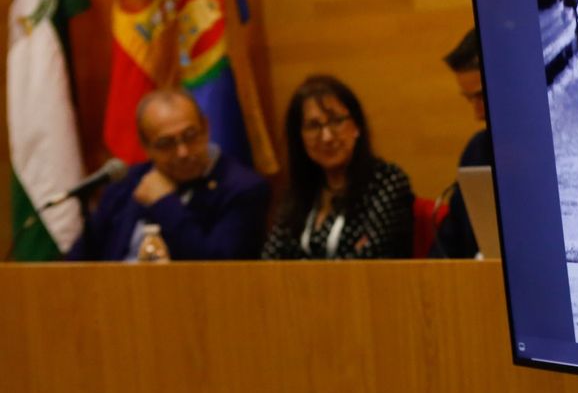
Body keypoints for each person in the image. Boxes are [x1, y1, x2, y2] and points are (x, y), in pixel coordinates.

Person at [67, 88, 269, 261]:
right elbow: (78, 261)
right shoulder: (127, 183)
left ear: (206, 128)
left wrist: (165, 204)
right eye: (166, 144)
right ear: (145, 147)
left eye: (190, 136)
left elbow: (217, 267)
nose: (183, 152)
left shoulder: (242, 188)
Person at [261, 75, 414, 260]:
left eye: (336, 121)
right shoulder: (301, 190)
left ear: (356, 126)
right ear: (299, 137)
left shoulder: (386, 182)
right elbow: (270, 262)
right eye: (313, 126)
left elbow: (369, 260)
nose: (326, 137)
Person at [429, 29, 489, 259]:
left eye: (481, 96)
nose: (477, 114)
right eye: (469, 99)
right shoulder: (477, 152)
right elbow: (447, 243)